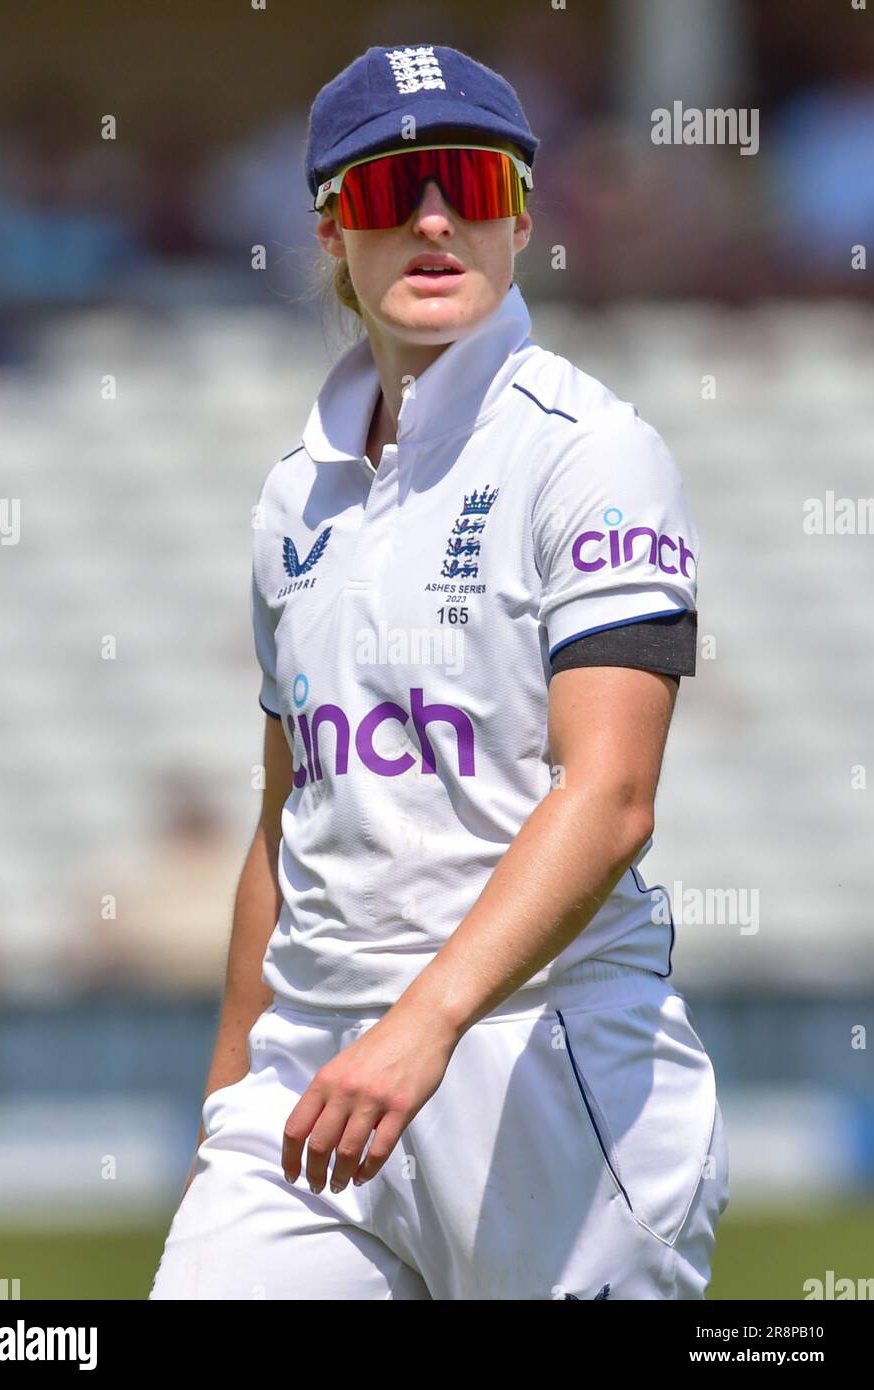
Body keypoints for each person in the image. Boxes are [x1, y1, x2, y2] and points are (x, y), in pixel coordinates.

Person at [149, 42, 729, 1301]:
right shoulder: (289, 496)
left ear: (519, 212)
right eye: (382, 190)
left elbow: (613, 797)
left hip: (547, 1067)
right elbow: (285, 817)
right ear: (327, 230)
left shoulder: (595, 454)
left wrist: (426, 1023)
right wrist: (227, 1096)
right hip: (309, 1086)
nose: (430, 218)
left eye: (466, 179)